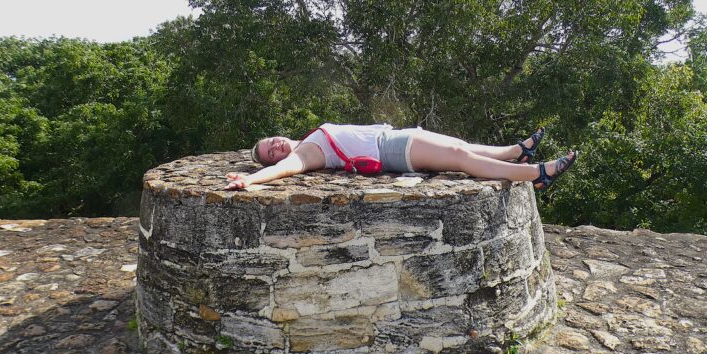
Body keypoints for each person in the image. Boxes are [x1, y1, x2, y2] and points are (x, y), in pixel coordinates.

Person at [224, 123, 576, 191]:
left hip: (394, 136)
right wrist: (250, 179)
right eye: (271, 153)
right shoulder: (305, 153)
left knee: (459, 144)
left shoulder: (308, 136)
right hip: (389, 150)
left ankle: (515, 152)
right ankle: (534, 174)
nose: (277, 147)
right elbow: (285, 171)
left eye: (272, 141)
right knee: (457, 155)